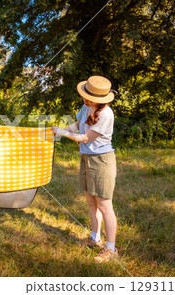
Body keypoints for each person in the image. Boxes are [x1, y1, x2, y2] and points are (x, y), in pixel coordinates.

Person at [52, 76, 118, 263]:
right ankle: (94, 238)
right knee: (91, 202)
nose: (85, 99)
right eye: (85, 95)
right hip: (87, 158)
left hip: (101, 161)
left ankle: (111, 248)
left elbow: (85, 137)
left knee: (105, 205)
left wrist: (63, 133)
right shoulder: (86, 106)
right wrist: (61, 131)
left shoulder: (106, 114)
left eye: (89, 98)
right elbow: (77, 124)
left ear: (101, 99)